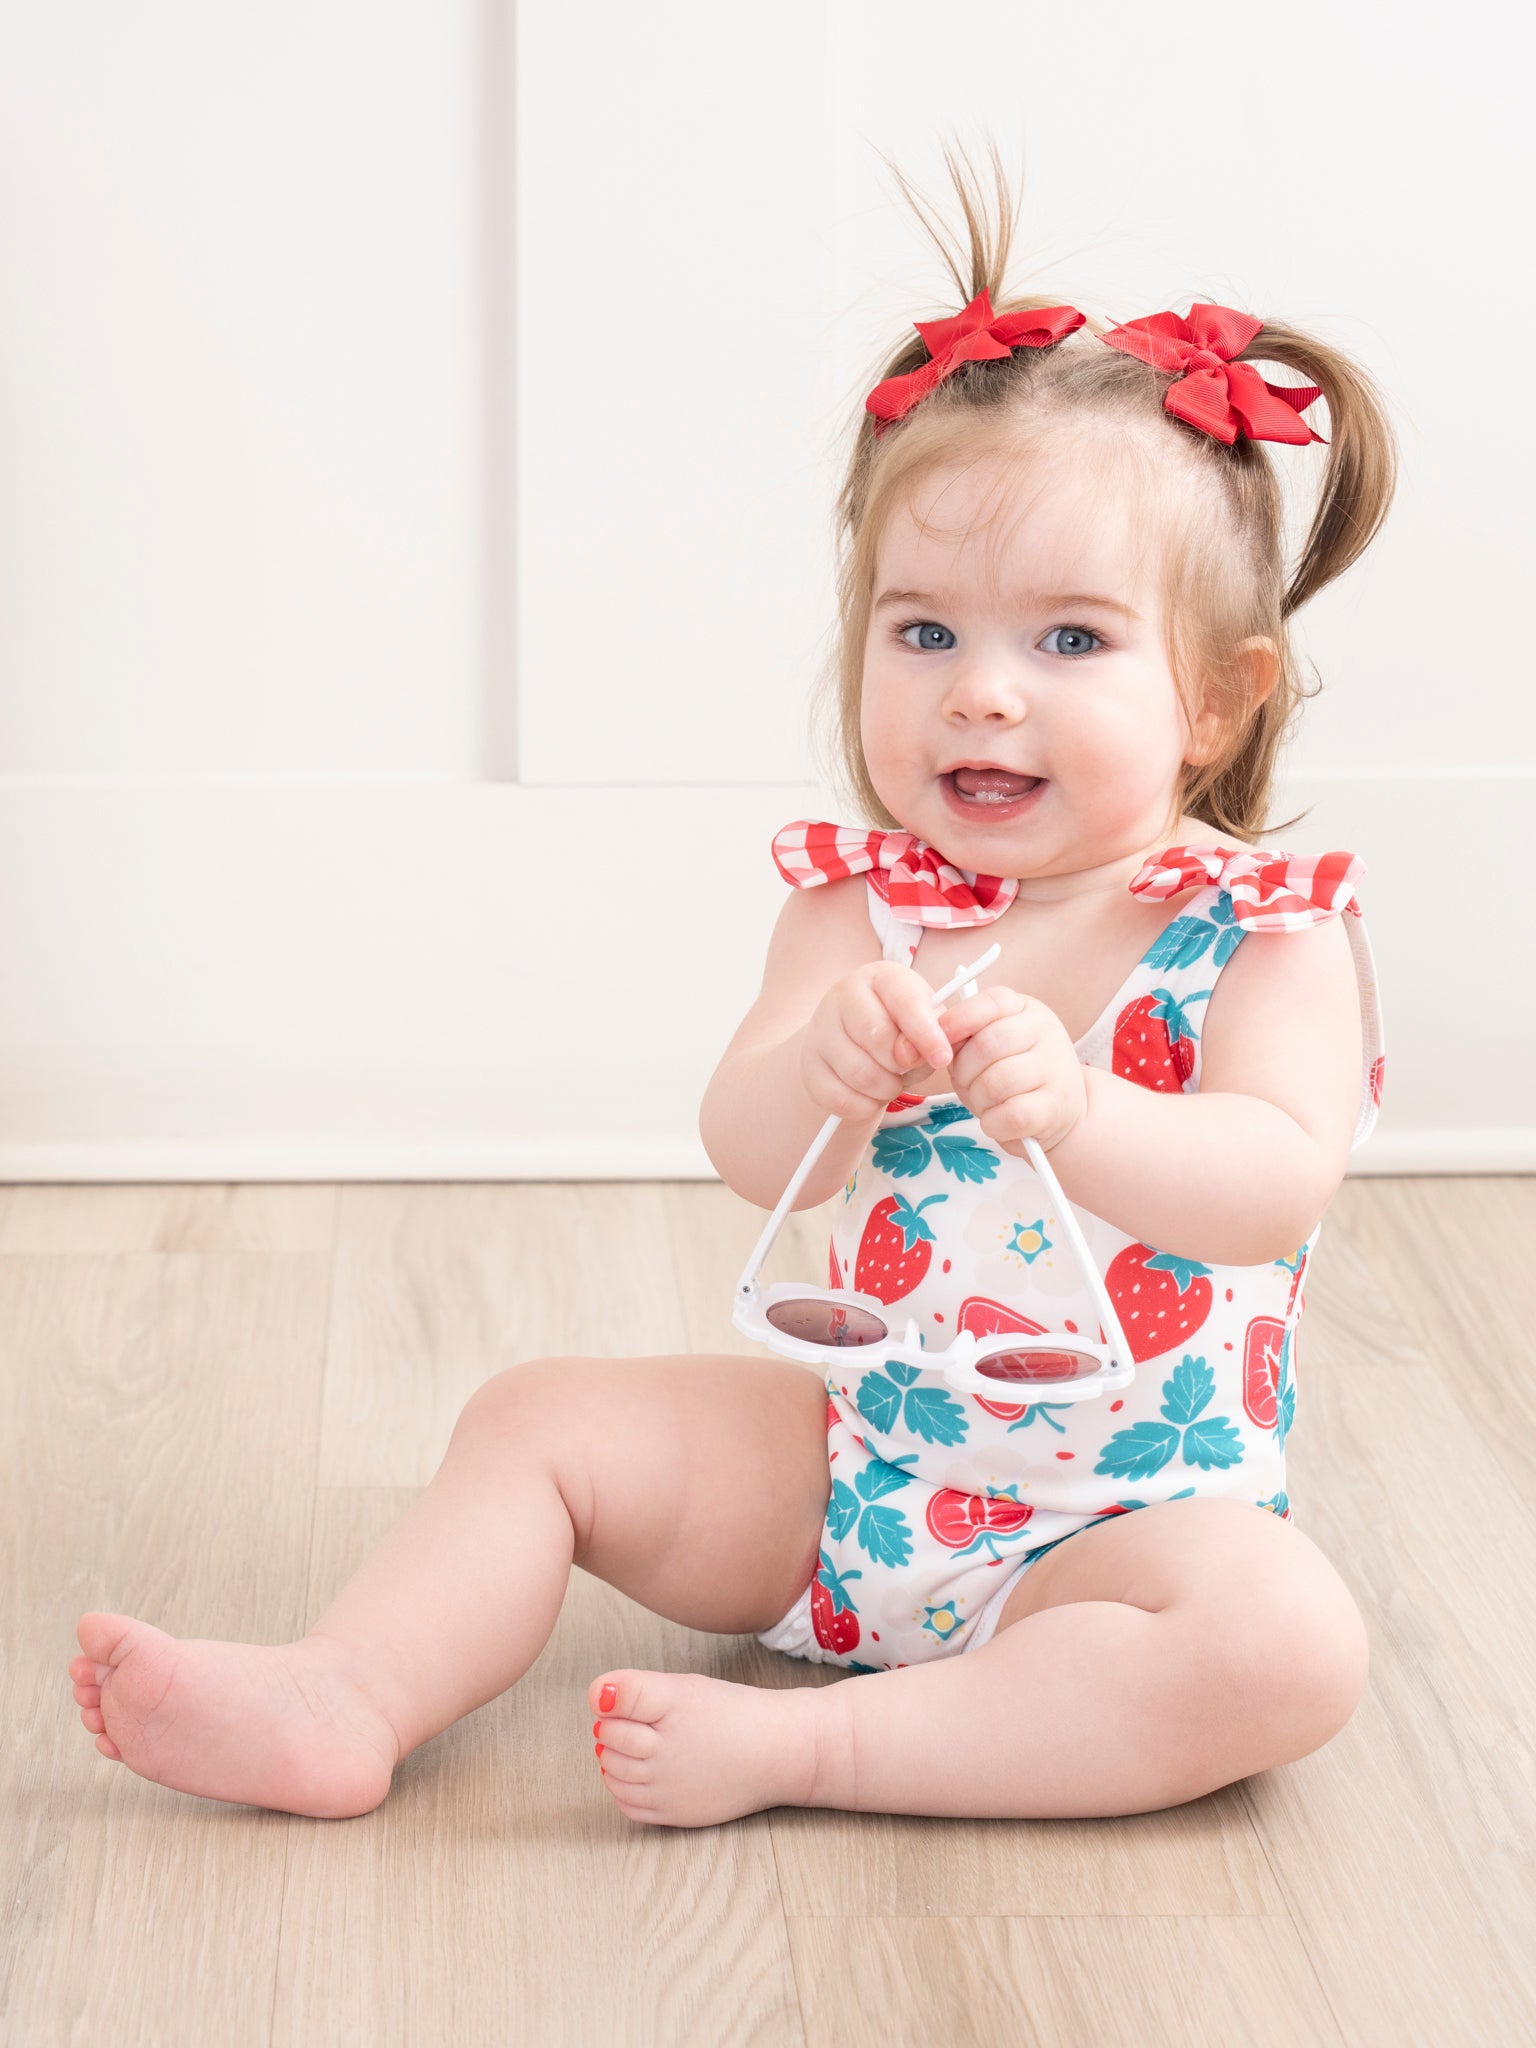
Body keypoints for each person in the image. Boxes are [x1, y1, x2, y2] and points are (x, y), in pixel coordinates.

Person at [66, 153, 1395, 1828]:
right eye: (924, 633)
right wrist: (824, 1067)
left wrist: (1087, 1110)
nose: (982, 695)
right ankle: (346, 1691)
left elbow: (1274, 1181)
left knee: (1287, 1645)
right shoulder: (866, 907)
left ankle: (821, 1749)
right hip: (857, 1473)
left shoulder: (1264, 931)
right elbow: (759, 1155)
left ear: (1216, 697)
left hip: (1127, 1531)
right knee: (538, 1419)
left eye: (1068, 641)